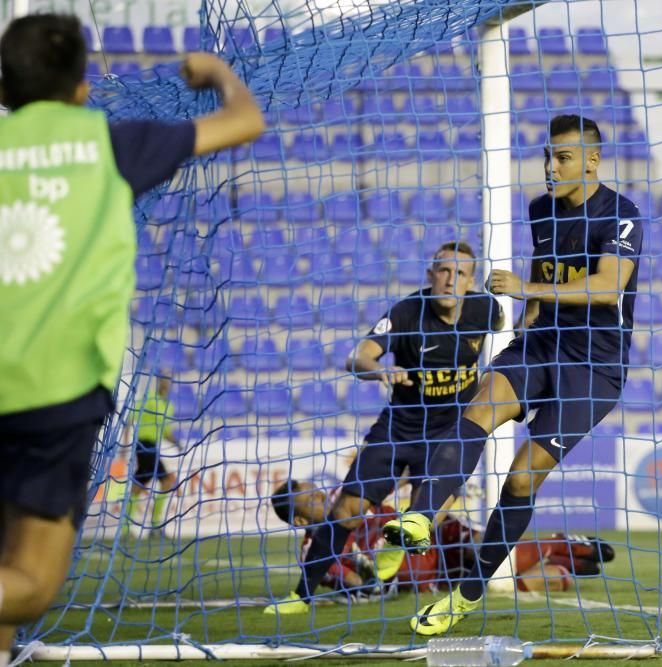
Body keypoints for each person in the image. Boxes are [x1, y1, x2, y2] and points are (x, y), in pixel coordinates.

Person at [0, 13, 264, 663]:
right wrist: (216, 72)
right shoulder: (109, 145)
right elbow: (245, 120)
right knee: (30, 586)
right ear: (83, 89)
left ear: (4, 90)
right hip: (56, 389)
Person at [382, 114, 643, 635]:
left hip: (594, 367)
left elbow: (608, 287)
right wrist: (528, 320)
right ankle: (421, 516)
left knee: (521, 477)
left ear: (592, 160)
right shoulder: (539, 209)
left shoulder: (622, 215)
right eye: (548, 156)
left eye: (563, 157)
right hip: (541, 344)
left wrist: (527, 291)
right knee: (479, 406)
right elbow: (550, 273)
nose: (551, 167)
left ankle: (469, 593)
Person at [264, 242, 503, 615]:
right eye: (442, 270)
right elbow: (357, 357)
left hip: (451, 429)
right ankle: (300, 596)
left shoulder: (486, 310)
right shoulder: (406, 312)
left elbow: (516, 332)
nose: (449, 279)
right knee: (347, 509)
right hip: (400, 427)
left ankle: (394, 548)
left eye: (459, 273)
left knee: (434, 508)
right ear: (430, 274)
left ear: (471, 281)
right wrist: (381, 370)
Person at [266, 478, 615, 599]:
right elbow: (357, 583)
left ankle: (563, 546)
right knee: (497, 586)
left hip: (439, 533)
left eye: (318, 491)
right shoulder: (315, 551)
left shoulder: (351, 495)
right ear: (300, 520)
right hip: (425, 576)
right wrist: (364, 572)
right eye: (312, 500)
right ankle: (564, 565)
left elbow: (396, 475)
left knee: (486, 550)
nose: (324, 498)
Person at [125, 376, 178, 534]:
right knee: (166, 481)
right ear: (159, 383)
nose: (166, 384)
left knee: (139, 486)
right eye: (163, 381)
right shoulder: (149, 399)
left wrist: (176, 442)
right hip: (143, 444)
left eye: (168, 381)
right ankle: (155, 526)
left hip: (152, 446)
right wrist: (125, 440)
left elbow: (166, 432)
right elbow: (131, 418)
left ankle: (125, 526)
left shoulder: (169, 407)